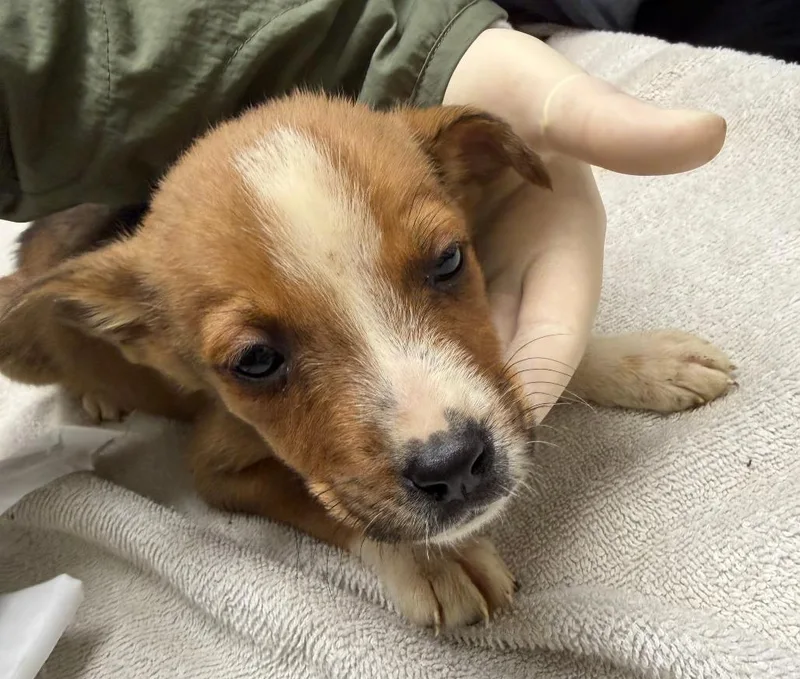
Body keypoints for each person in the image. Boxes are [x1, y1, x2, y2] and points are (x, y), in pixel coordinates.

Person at [0, 1, 725, 422]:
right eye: (258, 359)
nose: (429, 430)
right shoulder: (123, 300)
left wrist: (429, 52)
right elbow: (226, 467)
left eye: (444, 264)